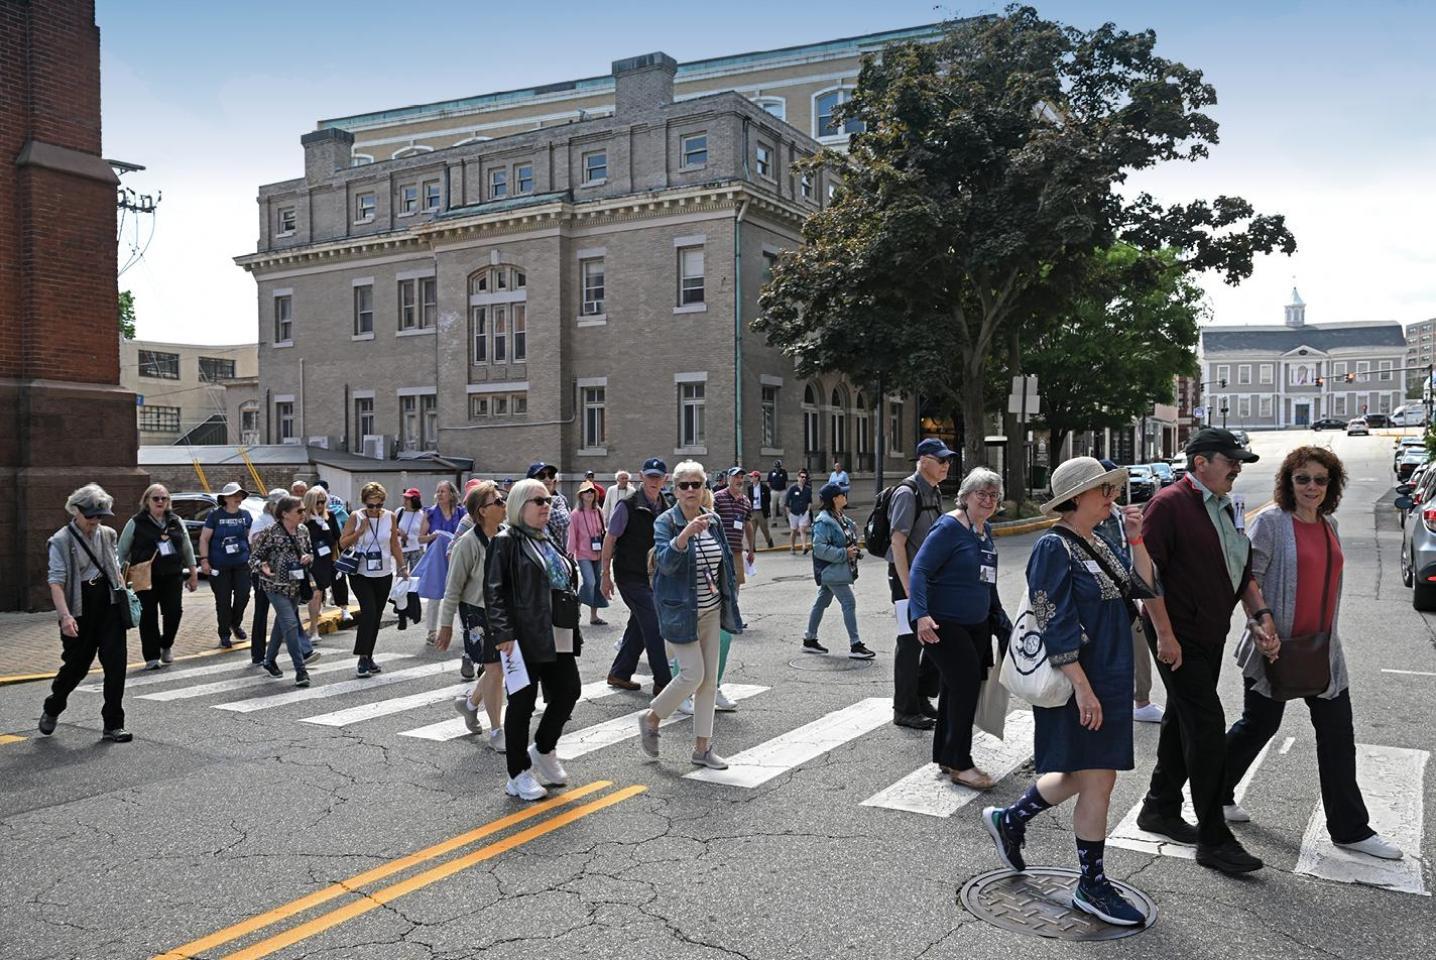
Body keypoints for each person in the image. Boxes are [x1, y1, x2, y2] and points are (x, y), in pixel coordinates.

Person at [981, 457, 1155, 926]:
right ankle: (1091, 886)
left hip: (1109, 677)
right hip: (1082, 681)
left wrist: (1136, 538)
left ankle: (1011, 820)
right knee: (1098, 779)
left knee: (1083, 775)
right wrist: (1083, 688)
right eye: (1103, 489)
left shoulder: (1100, 539)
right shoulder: (1053, 547)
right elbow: (1051, 617)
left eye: (1111, 489)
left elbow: (1143, 587)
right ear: (1076, 497)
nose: (1112, 496)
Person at [1221, 447, 1402, 859]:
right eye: (1303, 478)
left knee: (1338, 736)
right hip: (1274, 649)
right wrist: (1261, 629)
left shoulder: (1330, 524)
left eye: (1320, 479)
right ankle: (1214, 791)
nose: (1311, 487)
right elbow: (1250, 584)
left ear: (1331, 485)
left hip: (1322, 651)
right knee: (1257, 726)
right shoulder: (1270, 523)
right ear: (1288, 482)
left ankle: (1350, 829)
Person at [1137, 427, 1277, 875]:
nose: (1237, 468)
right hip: (1177, 634)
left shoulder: (1227, 508)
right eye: (1230, 460)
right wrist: (1165, 636)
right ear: (1200, 463)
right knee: (1207, 725)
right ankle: (1213, 837)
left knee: (1183, 718)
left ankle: (1159, 806)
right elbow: (1147, 578)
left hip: (1208, 632)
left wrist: (1260, 617)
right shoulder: (1168, 505)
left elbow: (1241, 570)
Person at [637, 461, 743, 770]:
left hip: (711, 609)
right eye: (684, 485)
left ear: (704, 488)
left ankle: (702, 749)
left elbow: (723, 562)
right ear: (675, 489)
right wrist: (684, 535)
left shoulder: (713, 520)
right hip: (680, 611)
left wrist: (729, 597)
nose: (691, 490)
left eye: (697, 484)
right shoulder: (665, 523)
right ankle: (652, 717)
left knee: (709, 681)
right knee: (692, 674)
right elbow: (666, 563)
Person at [909, 467, 1011, 787]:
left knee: (957, 689)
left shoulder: (985, 531)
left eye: (993, 495)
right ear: (965, 496)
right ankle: (960, 763)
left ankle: (945, 755)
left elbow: (987, 579)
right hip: (943, 623)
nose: (987, 500)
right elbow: (919, 570)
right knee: (965, 687)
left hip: (976, 623)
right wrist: (921, 615)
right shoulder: (949, 527)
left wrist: (999, 618)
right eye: (980, 494)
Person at [485, 477, 583, 801]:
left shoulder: (546, 538)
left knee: (569, 691)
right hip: (523, 635)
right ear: (519, 506)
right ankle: (517, 774)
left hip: (557, 630)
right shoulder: (505, 541)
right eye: (539, 501)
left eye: (549, 501)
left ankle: (543, 748)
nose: (547, 506)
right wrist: (503, 633)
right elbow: (494, 590)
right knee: (522, 704)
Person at [41, 484, 132, 743]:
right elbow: (56, 581)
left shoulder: (108, 534)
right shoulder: (60, 540)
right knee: (76, 667)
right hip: (80, 609)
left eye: (100, 516)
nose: (95, 521)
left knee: (116, 666)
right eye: (91, 515)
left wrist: (125, 595)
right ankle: (53, 705)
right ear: (76, 511)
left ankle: (113, 724)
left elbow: (114, 569)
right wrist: (65, 617)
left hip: (109, 604)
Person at [437, 481, 507, 752]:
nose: (503, 505)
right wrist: (445, 626)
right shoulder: (467, 544)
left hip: (504, 611)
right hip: (477, 612)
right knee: (495, 670)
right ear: (481, 512)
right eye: (497, 502)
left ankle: (468, 705)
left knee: (496, 669)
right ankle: (497, 730)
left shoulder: (507, 536)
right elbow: (452, 589)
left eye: (502, 500)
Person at [887, 439, 953, 730]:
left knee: (935, 639)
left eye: (947, 460)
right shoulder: (906, 493)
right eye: (941, 460)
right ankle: (904, 709)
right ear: (923, 460)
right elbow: (897, 544)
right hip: (907, 580)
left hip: (929, 579)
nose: (946, 465)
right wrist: (910, 590)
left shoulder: (934, 491)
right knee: (909, 643)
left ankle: (921, 695)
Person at [1093, 460, 1164, 725]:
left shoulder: (1123, 515)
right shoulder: (1087, 520)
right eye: (1109, 485)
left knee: (1138, 645)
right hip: (1098, 597)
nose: (1116, 491)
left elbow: (1134, 555)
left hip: (1125, 593)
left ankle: (1141, 701)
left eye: (1117, 485)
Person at [602, 458, 675, 693]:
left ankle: (619, 673)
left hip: (655, 578)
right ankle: (663, 682)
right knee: (653, 623)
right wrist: (605, 574)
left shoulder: (667, 506)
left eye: (658, 477)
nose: (654, 481)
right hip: (630, 576)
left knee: (640, 623)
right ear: (641, 477)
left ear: (665, 479)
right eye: (650, 476)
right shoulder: (627, 505)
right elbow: (610, 538)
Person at [118, 484, 198, 670]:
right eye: (156, 498)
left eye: (164, 498)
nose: (160, 501)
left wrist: (193, 573)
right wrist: (118, 575)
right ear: (147, 501)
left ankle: (166, 644)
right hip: (145, 577)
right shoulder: (136, 522)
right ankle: (152, 657)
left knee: (174, 613)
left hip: (172, 575)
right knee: (148, 617)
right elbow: (122, 551)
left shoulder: (175, 521)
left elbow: (186, 548)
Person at [339, 482, 407, 678]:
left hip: (384, 573)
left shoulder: (390, 517)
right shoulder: (356, 517)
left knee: (376, 617)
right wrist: (360, 532)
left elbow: (394, 543)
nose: (375, 510)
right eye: (371, 506)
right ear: (364, 503)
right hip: (361, 573)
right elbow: (342, 542)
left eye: (379, 505)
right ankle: (362, 657)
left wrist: (402, 567)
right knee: (368, 612)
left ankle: (369, 656)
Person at [802, 481, 875, 659]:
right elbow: (819, 549)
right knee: (849, 602)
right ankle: (855, 645)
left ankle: (809, 639)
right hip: (832, 570)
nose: (845, 496)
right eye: (842, 494)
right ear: (834, 499)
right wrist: (844, 553)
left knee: (821, 602)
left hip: (837, 570)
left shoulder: (840, 517)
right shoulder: (823, 522)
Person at [250, 495, 316, 686]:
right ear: (285, 514)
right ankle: (301, 671)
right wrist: (262, 566)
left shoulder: (303, 531)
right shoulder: (270, 532)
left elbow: (310, 552)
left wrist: (307, 558)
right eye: (299, 511)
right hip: (274, 586)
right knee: (290, 623)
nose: (303, 514)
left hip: (296, 585)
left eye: (304, 510)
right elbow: (254, 557)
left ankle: (269, 660)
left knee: (282, 624)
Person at [710, 468, 755, 710]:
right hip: (718, 552)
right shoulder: (718, 498)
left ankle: (729, 614)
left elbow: (748, 524)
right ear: (728, 479)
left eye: (742, 478)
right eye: (736, 477)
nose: (739, 480)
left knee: (734, 588)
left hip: (736, 551)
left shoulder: (745, 501)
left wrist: (752, 548)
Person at [198, 481, 252, 649]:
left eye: (240, 495)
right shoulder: (215, 516)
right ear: (225, 498)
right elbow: (204, 539)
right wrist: (204, 560)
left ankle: (235, 623)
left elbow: (251, 539)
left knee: (243, 595)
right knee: (223, 600)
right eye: (234, 495)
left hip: (242, 563)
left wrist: (256, 558)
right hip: (219, 565)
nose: (238, 498)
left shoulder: (245, 515)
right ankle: (224, 633)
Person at [418, 480, 465, 644]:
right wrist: (434, 536)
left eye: (443, 491)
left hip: (456, 558)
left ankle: (465, 629)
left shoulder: (461, 513)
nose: (439, 494)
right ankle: (431, 631)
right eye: (438, 491)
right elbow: (420, 538)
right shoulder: (430, 513)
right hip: (437, 559)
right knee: (434, 595)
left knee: (460, 593)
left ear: (452, 494)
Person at [246, 489, 287, 665]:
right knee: (261, 611)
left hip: (284, 572)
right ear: (271, 505)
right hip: (264, 572)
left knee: (287, 613)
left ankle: (296, 650)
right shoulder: (261, 521)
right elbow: (255, 543)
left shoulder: (287, 521)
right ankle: (258, 654)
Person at [301, 487, 342, 649]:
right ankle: (313, 629)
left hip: (325, 561)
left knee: (320, 593)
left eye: (323, 502)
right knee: (315, 594)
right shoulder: (304, 519)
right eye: (317, 502)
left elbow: (336, 540)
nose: (320, 505)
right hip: (310, 561)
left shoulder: (329, 517)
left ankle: (314, 623)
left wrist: (336, 561)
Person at [566, 480, 610, 625]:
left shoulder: (598, 511)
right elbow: (572, 534)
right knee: (590, 582)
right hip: (583, 554)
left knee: (597, 583)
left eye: (592, 491)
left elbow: (604, 531)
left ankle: (594, 616)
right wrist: (570, 552)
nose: (590, 494)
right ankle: (577, 602)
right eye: (586, 491)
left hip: (598, 553)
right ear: (581, 495)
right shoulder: (575, 514)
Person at [527, 462, 571, 553]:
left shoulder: (557, 500)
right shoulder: (522, 501)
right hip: (530, 554)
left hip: (553, 554)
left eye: (551, 475)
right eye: (541, 475)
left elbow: (564, 520)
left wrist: (541, 505)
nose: (547, 479)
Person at [396, 487, 426, 576]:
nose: (405, 500)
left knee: (416, 577)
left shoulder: (421, 514)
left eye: (408, 499)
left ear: (415, 500)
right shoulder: (399, 512)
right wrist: (399, 531)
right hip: (402, 549)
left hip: (417, 549)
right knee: (401, 576)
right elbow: (391, 527)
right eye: (405, 498)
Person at [785, 470, 813, 554]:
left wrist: (808, 511)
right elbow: (787, 502)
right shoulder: (792, 488)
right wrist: (788, 514)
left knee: (802, 529)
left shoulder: (808, 489)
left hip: (804, 512)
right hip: (793, 513)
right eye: (802, 477)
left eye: (805, 477)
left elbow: (809, 501)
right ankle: (792, 547)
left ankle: (804, 547)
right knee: (793, 530)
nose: (803, 479)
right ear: (798, 478)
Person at [745, 470, 774, 548]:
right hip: (753, 511)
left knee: (764, 529)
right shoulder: (750, 488)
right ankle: (752, 547)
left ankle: (769, 541)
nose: (750, 478)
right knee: (752, 531)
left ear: (757, 478)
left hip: (761, 511)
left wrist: (767, 510)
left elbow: (768, 499)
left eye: (752, 476)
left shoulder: (764, 487)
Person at [767, 460, 790, 525]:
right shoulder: (771, 472)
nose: (777, 468)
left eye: (778, 467)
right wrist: (770, 489)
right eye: (776, 467)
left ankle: (786, 517)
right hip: (774, 491)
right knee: (772, 507)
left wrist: (786, 490)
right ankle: (774, 521)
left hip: (782, 491)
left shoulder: (784, 472)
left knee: (782, 506)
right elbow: (769, 482)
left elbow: (786, 482)